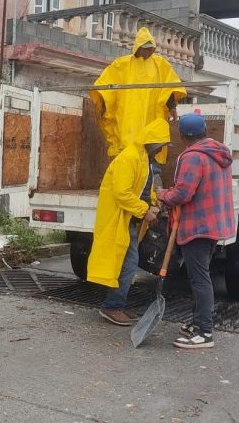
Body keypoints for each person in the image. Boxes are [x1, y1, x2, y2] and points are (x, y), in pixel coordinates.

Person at [157, 113, 236, 348]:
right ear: (204, 131)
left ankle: (204, 332)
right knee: (201, 276)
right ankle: (197, 322)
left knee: (199, 278)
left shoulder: (192, 157)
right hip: (214, 224)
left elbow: (183, 194)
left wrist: (162, 195)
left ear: (182, 136)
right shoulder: (218, 153)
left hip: (197, 225)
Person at [87, 119, 170, 326]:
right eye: (160, 144)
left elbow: (144, 186)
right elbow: (122, 193)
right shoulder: (130, 158)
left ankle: (116, 304)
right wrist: (144, 211)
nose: (161, 149)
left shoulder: (143, 158)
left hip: (129, 219)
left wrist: (153, 204)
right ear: (151, 142)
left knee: (128, 262)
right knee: (128, 262)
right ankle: (112, 306)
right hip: (119, 218)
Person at [90, 27, 186, 167]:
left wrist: (172, 107)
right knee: (127, 151)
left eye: (149, 48)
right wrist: (103, 104)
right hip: (127, 118)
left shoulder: (161, 65)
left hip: (151, 117)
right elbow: (105, 87)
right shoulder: (121, 64)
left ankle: (151, 179)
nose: (147, 51)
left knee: (151, 150)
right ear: (137, 48)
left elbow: (169, 87)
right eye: (144, 48)